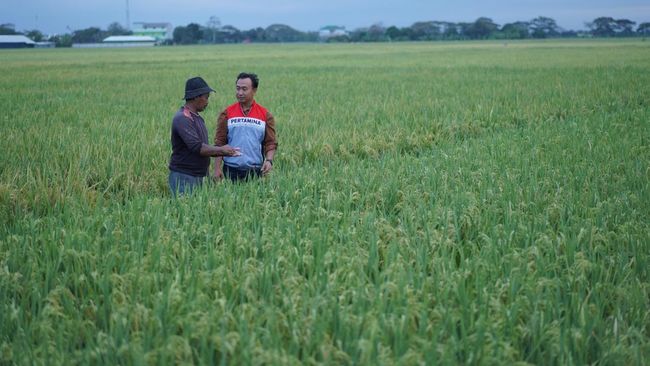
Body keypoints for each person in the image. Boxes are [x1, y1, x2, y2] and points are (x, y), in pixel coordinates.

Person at [169, 76, 240, 196]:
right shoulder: (183, 118)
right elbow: (198, 147)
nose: (207, 102)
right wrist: (223, 150)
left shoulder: (196, 118)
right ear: (196, 97)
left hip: (197, 176)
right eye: (206, 97)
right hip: (184, 177)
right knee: (185, 211)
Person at [213, 72, 277, 182]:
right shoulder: (227, 113)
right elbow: (220, 143)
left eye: (244, 89)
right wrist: (217, 168)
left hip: (255, 171)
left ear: (254, 90)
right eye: (237, 89)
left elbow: (270, 143)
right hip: (230, 170)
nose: (240, 93)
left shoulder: (265, 115)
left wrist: (269, 160)